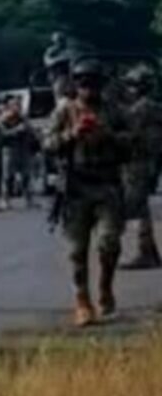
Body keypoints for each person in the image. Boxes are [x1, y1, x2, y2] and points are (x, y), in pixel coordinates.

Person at [45, 58, 131, 325]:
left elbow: (132, 145)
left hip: (106, 184)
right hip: (76, 185)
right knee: (76, 250)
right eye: (83, 84)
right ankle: (82, 300)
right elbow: (47, 144)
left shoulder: (114, 111)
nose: (88, 90)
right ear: (75, 85)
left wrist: (107, 134)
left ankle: (105, 288)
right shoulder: (65, 111)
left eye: (93, 84)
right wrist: (72, 134)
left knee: (109, 242)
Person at [118, 65, 162, 270]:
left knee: (129, 208)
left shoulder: (141, 108)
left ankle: (145, 251)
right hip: (146, 161)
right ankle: (148, 251)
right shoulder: (152, 107)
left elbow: (127, 132)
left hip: (138, 162)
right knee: (141, 208)